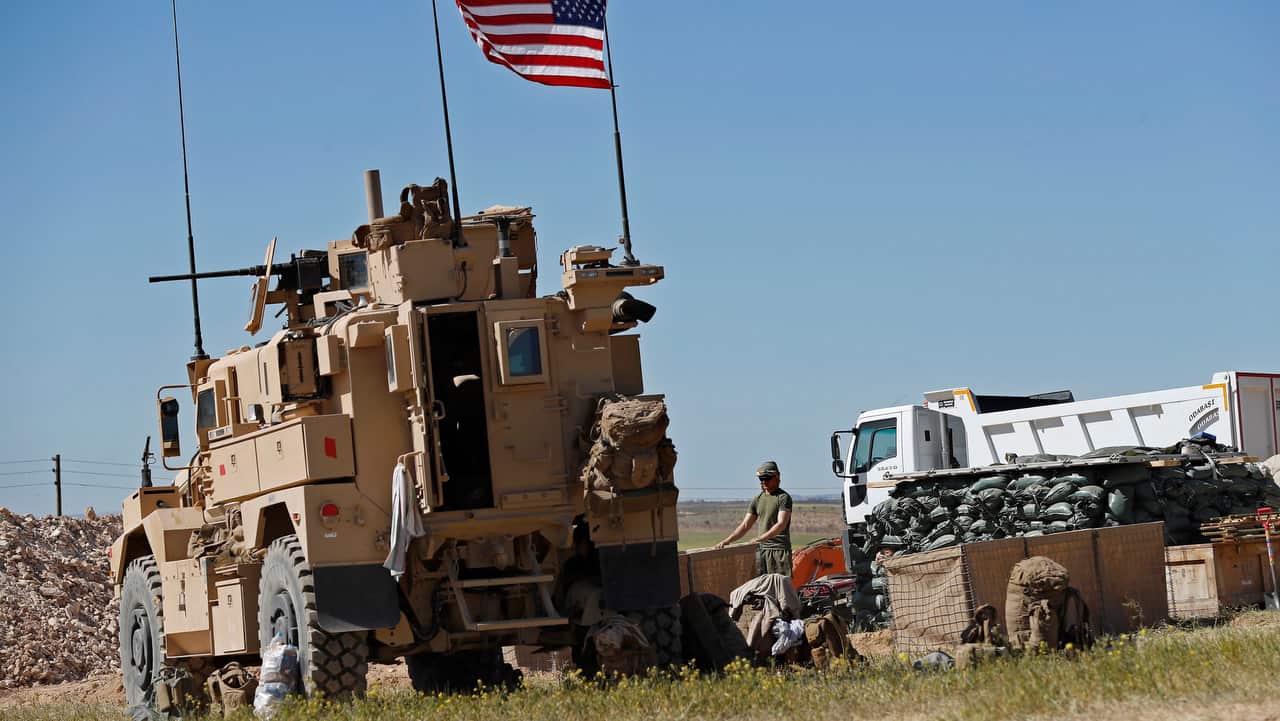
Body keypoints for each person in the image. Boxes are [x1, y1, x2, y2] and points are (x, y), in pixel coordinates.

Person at [715, 460, 794, 577]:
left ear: (777, 476)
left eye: (767, 478)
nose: (763, 482)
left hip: (778, 551)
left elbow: (781, 524)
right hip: (761, 551)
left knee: (779, 588)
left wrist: (760, 538)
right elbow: (745, 525)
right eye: (761, 479)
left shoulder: (783, 498)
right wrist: (728, 541)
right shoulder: (757, 499)